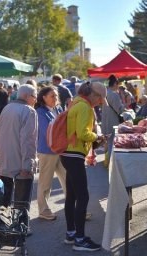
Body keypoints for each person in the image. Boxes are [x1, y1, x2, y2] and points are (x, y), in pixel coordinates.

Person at [60, 81, 108, 252]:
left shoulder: (76, 103)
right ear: (93, 95)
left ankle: (71, 233)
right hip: (74, 155)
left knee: (72, 196)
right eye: (100, 99)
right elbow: (83, 133)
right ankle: (79, 239)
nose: (100, 103)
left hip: (67, 153)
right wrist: (98, 136)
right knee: (83, 197)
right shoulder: (86, 107)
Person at [0, 84, 38, 234]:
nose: (35, 100)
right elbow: (28, 140)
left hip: (4, 158)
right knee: (21, 197)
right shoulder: (29, 111)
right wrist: (27, 165)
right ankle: (19, 227)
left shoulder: (7, 108)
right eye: (34, 96)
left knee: (3, 194)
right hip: (20, 160)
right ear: (28, 96)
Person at [35, 86, 66, 221]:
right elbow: (47, 131)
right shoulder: (40, 112)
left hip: (61, 150)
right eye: (52, 96)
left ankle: (76, 207)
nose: (55, 98)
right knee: (45, 182)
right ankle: (43, 210)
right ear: (44, 98)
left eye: (56, 96)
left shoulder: (59, 109)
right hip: (47, 151)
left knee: (68, 179)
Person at [101, 74, 125, 167]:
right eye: (117, 84)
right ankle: (112, 165)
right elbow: (119, 109)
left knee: (109, 143)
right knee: (112, 143)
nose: (118, 86)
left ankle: (110, 163)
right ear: (115, 83)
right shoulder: (114, 95)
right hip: (113, 122)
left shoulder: (105, 93)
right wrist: (123, 102)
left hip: (106, 121)